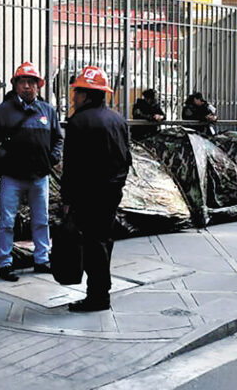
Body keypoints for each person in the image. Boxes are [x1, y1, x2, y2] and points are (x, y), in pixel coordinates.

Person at [61, 66, 132, 312]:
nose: (73, 97)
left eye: (76, 92)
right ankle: (101, 291)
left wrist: (67, 198)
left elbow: (71, 166)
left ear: (87, 94)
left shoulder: (78, 122)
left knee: (93, 244)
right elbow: (127, 158)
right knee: (103, 241)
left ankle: (98, 296)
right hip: (111, 193)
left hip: (87, 195)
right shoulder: (118, 119)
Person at [0, 62, 63, 281]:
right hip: (12, 178)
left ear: (38, 86)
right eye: (23, 82)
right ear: (16, 85)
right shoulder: (3, 111)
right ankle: (5, 263)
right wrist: (4, 159)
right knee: (7, 221)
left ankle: (41, 259)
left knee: (41, 220)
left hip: (39, 177)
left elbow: (58, 139)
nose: (27, 86)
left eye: (31, 82)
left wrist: (52, 158)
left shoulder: (48, 111)